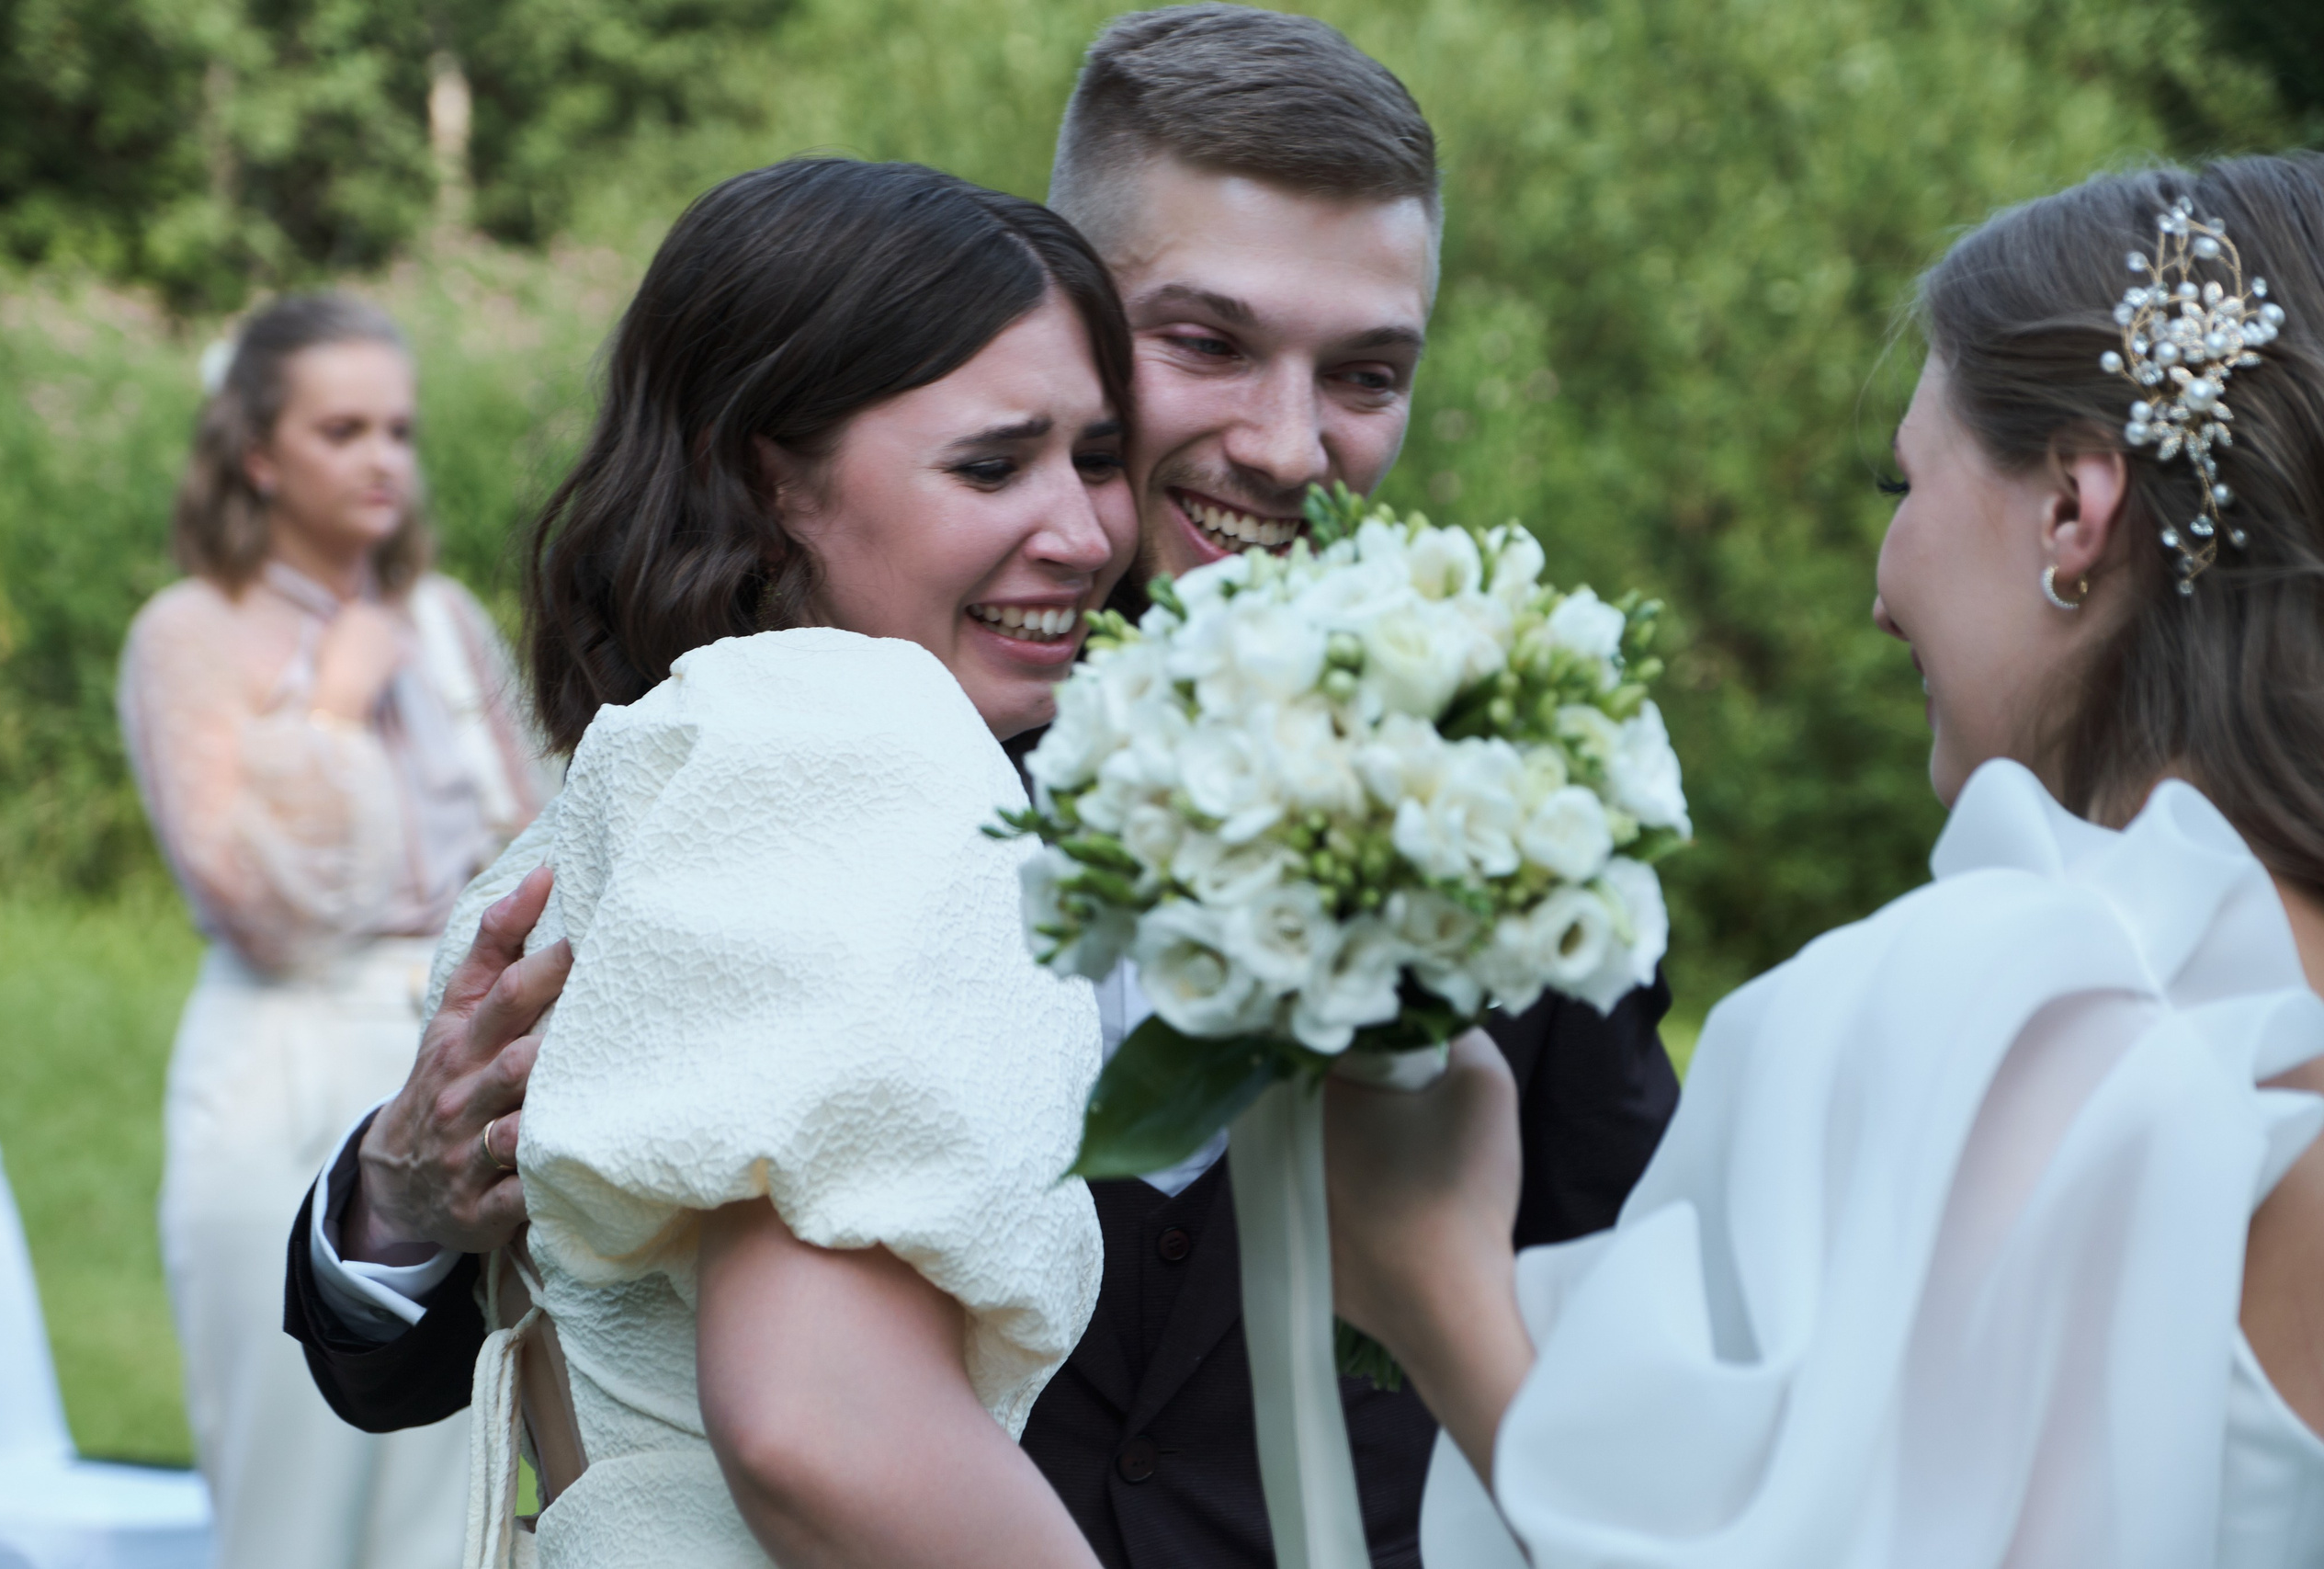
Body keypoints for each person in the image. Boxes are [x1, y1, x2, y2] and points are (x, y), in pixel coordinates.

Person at [283, 8, 1681, 1564]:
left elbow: (1628, 1350)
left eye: (1365, 372)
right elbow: (542, 1341)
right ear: (1066, 308)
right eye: (1210, 345)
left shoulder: (1491, 798)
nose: (1290, 448)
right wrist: (395, 1202)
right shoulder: (830, 722)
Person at [1326, 153, 2324, 1568]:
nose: (1880, 590)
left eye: (1902, 484)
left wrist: (1426, 1272)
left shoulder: (2047, 999)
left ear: (2074, 509)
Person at [438, 158, 1131, 1566]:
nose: (1084, 532)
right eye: (993, 465)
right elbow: (821, 1426)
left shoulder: (680, 754)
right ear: (773, 477)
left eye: (1099, 458)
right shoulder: (854, 731)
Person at [118, 292, 550, 1569]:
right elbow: (257, 902)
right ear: (259, 453)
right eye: (343, 430)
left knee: (448, 1479)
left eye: (399, 432)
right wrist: (335, 707)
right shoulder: (192, 632)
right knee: (289, 1488)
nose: (383, 461)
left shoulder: (447, 619)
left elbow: (540, 834)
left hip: (452, 1048)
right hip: (286, 1053)